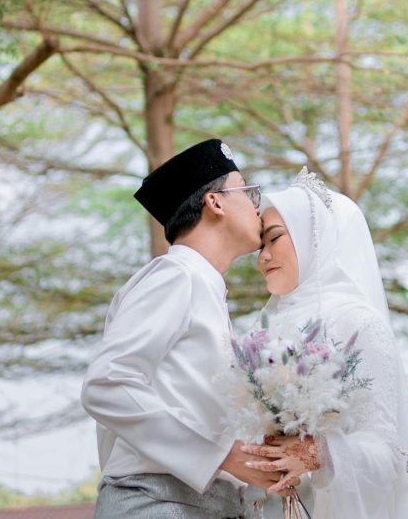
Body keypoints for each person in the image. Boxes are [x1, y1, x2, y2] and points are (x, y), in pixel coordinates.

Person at [81, 138, 286, 518]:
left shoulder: (202, 286)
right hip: (156, 502)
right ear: (216, 202)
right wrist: (219, 454)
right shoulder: (174, 276)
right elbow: (107, 384)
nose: (258, 208)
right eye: (249, 193)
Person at [240, 168, 408, 519]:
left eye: (275, 238)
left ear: (315, 238)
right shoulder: (257, 332)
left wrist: (319, 455)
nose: (262, 257)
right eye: (260, 245)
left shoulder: (359, 323)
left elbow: (388, 453)